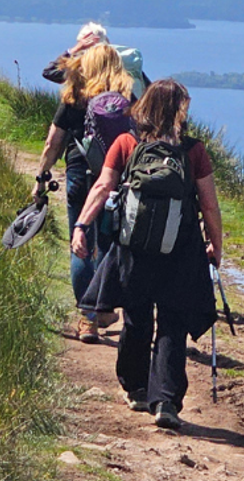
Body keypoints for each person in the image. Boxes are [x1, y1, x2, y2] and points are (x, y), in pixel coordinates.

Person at [74, 79, 222, 429]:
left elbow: (103, 187)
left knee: (136, 316)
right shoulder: (193, 151)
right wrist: (216, 245)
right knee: (173, 321)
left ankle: (137, 388)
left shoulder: (127, 143)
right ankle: (166, 401)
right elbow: (209, 205)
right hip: (180, 249)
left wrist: (81, 225)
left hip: (134, 248)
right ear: (180, 110)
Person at [32, 42, 134, 341]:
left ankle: (87, 319)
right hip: (114, 179)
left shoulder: (74, 97)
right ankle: (102, 307)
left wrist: (41, 179)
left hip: (80, 173)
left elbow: (52, 144)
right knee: (106, 242)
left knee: (80, 241)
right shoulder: (128, 100)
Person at [42, 21, 149, 95]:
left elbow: (49, 72)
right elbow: (148, 90)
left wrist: (74, 49)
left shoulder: (83, 71)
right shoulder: (127, 63)